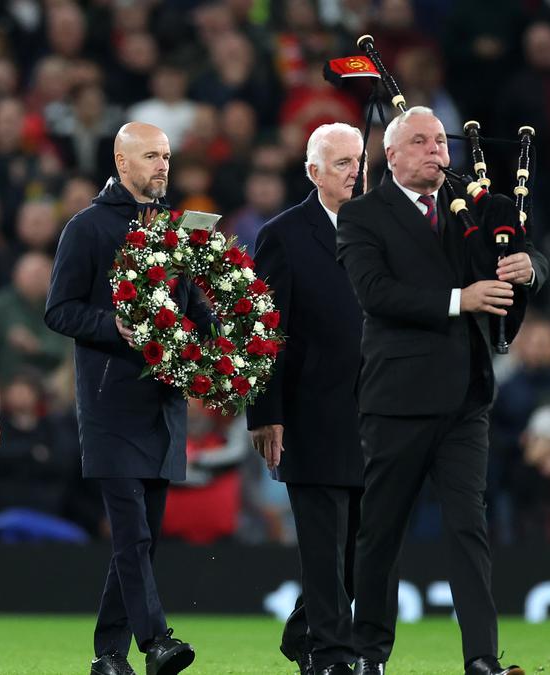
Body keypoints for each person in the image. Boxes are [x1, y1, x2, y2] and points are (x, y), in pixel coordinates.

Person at [335, 106, 547, 675]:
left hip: (465, 398)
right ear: (393, 155)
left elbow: (523, 246)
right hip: (396, 399)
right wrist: (461, 300)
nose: (437, 150)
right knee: (381, 532)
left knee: (468, 529)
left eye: (440, 141)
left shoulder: (469, 203)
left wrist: (531, 268)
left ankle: (481, 658)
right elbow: (375, 294)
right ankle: (368, 656)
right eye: (422, 142)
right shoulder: (361, 216)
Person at [45, 122, 214, 675]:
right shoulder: (88, 228)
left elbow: (192, 310)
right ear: (121, 161)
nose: (163, 165)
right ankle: (157, 641)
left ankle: (108, 654)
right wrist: (114, 323)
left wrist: (229, 335)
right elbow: (59, 309)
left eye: (166, 155)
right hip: (110, 404)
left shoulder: (179, 228)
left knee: (143, 541)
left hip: (162, 406)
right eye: (150, 156)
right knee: (133, 533)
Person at [244, 123, 366, 675]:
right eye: (341, 163)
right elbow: (264, 329)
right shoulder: (283, 235)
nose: (354, 172)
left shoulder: (382, 228)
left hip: (376, 412)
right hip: (311, 412)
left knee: (358, 550)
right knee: (323, 543)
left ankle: (304, 630)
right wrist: (266, 413)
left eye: (359, 161)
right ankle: (330, 655)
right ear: (313, 172)